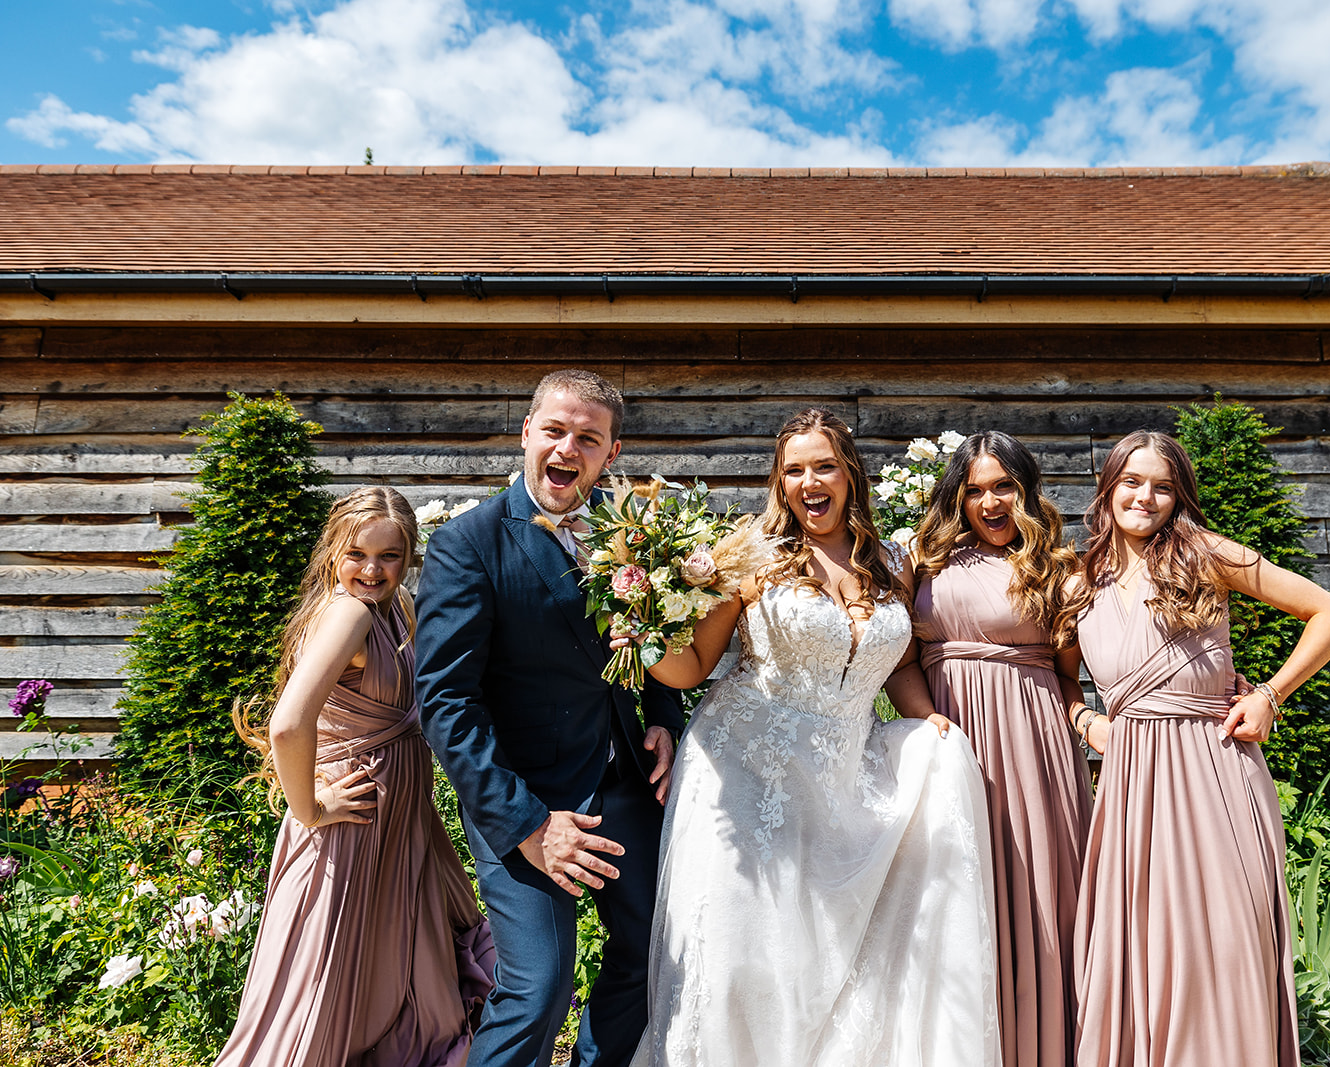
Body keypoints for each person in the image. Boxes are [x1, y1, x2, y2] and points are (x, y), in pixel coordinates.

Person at [623, 408, 1001, 1066]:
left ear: (848, 473)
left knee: (828, 962)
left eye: (822, 465)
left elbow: (902, 658)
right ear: (780, 482)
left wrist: (925, 716)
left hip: (841, 781)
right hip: (743, 778)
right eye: (793, 469)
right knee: (749, 963)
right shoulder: (752, 556)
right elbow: (689, 668)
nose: (809, 481)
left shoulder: (891, 562)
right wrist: (642, 626)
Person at [416, 370, 683, 1067]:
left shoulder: (634, 539)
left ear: (611, 453)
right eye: (556, 430)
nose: (569, 448)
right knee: (537, 988)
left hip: (624, 782)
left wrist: (661, 718)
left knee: (651, 957)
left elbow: (658, 643)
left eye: (588, 438)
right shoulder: (467, 546)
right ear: (527, 432)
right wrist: (531, 826)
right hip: (523, 795)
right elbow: (446, 702)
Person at [1065, 431, 1330, 1067]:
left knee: (1223, 942)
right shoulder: (1078, 580)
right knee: (1143, 945)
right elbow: (1057, 676)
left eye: (1163, 487)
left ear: (1179, 497)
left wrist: (1270, 695)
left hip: (1214, 769)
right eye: (1133, 482)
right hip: (1133, 782)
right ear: (1108, 487)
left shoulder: (1208, 554)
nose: (1146, 497)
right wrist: (1088, 720)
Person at [217, 487, 495, 1067]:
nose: (372, 569)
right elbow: (290, 726)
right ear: (332, 552)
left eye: (390, 555)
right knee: (322, 992)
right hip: (354, 823)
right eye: (357, 553)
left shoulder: (392, 608)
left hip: (394, 824)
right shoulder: (348, 613)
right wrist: (309, 809)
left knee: (377, 979)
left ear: (409, 556)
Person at [914, 431, 1093, 1067]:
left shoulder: (1059, 570)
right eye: (975, 491)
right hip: (946, 742)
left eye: (1004, 487)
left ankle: (1047, 1049)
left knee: (1041, 894)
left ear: (1026, 492)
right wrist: (927, 721)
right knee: (958, 897)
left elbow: (1073, 674)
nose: (991, 503)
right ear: (957, 499)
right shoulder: (924, 559)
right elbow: (897, 655)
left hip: (1034, 748)